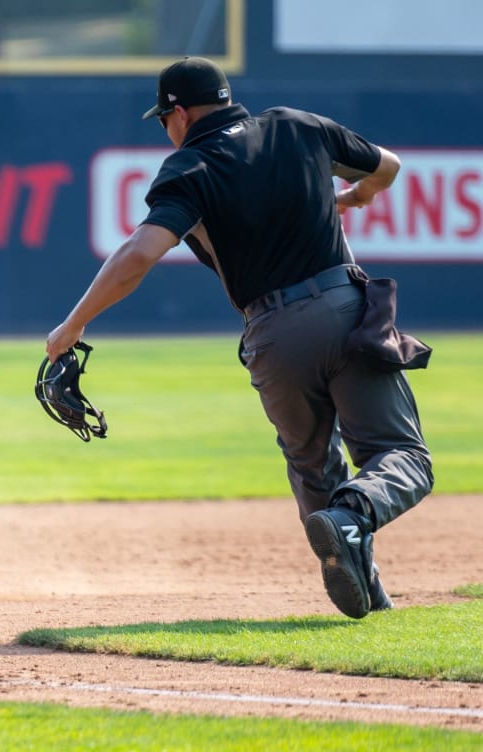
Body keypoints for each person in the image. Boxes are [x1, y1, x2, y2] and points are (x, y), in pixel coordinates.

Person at [45, 57, 431, 619]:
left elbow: (138, 256)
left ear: (179, 112)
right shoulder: (299, 125)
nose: (165, 129)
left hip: (271, 335)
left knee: (312, 469)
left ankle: (366, 587)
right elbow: (388, 167)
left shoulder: (190, 167)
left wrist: (73, 324)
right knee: (402, 457)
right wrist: (356, 195)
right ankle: (352, 523)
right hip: (345, 311)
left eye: (163, 119)